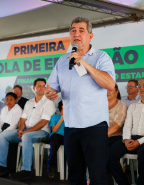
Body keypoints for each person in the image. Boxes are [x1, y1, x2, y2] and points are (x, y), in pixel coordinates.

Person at [46, 17, 115, 185]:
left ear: (90, 36)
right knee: (75, 176)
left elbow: (110, 84)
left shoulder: (101, 57)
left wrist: (83, 63)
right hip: (71, 126)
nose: (76, 34)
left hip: (94, 126)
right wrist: (51, 93)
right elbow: (52, 87)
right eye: (73, 30)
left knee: (97, 176)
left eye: (81, 30)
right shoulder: (62, 61)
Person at [0, 78, 56, 181]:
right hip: (26, 130)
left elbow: (43, 123)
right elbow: (22, 119)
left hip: (41, 132)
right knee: (4, 135)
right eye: (39, 86)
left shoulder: (48, 102)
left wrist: (26, 132)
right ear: (34, 88)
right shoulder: (29, 102)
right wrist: (20, 130)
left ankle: (26, 171)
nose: (42, 88)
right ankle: (2, 167)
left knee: (26, 136)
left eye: (43, 86)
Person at [108, 78, 144, 185]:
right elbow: (127, 126)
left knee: (143, 156)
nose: (142, 88)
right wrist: (127, 138)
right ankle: (123, 183)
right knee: (110, 154)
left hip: (143, 140)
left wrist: (139, 142)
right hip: (131, 137)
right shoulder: (133, 106)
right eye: (140, 86)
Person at [106, 84, 127, 184]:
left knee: (108, 155)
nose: (107, 92)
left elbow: (115, 128)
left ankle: (121, 182)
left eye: (110, 90)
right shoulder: (98, 105)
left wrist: (98, 138)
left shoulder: (122, 106)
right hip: (102, 137)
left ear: (117, 92)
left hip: (117, 137)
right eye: (105, 90)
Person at [46, 101, 64, 178]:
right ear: (62, 107)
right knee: (55, 141)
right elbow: (54, 130)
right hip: (56, 136)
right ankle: (51, 167)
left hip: (67, 137)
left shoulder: (72, 117)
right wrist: (62, 119)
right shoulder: (54, 117)